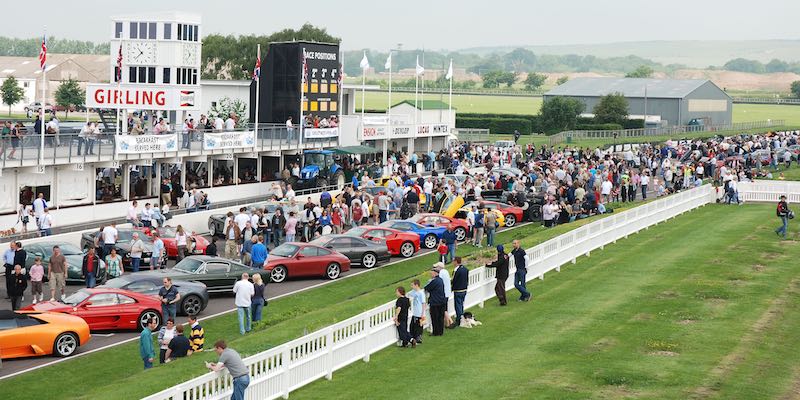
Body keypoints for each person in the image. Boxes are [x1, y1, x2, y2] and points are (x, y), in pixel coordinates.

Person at [424, 264, 446, 336]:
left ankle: (436, 332)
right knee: (440, 317)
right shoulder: (440, 280)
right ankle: (440, 331)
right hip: (442, 301)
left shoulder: (435, 281)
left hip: (435, 302)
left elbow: (427, 288)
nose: (431, 274)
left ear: (435, 273)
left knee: (435, 318)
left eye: (432, 273)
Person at [451, 257, 469, 328]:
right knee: (461, 304)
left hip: (458, 290)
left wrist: (452, 288)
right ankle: (462, 317)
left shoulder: (456, 270)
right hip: (464, 289)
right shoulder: (465, 269)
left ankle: (459, 320)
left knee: (458, 306)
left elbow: (453, 280)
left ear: (456, 262)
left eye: (453, 261)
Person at [408, 279, 426, 344]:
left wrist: (422, 313)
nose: (411, 286)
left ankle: (418, 338)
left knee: (418, 327)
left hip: (420, 313)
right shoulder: (413, 292)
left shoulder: (421, 293)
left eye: (412, 285)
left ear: (416, 285)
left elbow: (423, 303)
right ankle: (413, 338)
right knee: (412, 326)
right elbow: (408, 295)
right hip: (415, 313)